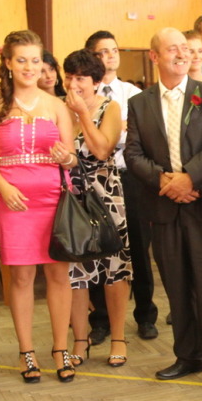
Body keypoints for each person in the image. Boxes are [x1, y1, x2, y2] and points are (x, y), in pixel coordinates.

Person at [125, 28, 202, 391]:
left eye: (183, 49)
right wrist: (164, 181)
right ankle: (188, 356)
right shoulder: (139, 103)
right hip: (164, 207)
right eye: (171, 49)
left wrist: (189, 178)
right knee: (176, 286)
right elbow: (132, 153)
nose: (180, 54)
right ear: (154, 56)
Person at [0, 29, 79, 384]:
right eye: (21, 60)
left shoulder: (57, 106)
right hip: (14, 202)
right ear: (8, 62)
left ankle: (61, 349)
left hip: (54, 199)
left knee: (58, 275)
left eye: (35, 60)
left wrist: (66, 158)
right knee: (21, 277)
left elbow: (72, 159)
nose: (29, 67)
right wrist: (3, 188)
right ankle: (26, 351)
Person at [84, 29, 158, 343]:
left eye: (113, 50)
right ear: (92, 58)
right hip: (95, 179)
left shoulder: (132, 93)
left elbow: (140, 136)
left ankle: (145, 315)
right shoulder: (84, 94)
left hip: (130, 177)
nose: (109, 56)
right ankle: (100, 320)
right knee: (98, 249)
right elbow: (88, 139)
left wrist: (113, 133)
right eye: (102, 52)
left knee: (138, 248)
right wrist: (118, 130)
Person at [60, 49, 129, 368]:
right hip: (72, 196)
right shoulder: (58, 108)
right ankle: (80, 339)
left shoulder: (109, 107)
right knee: (75, 270)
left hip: (106, 194)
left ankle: (118, 339)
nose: (73, 84)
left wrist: (82, 115)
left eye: (81, 79)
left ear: (96, 81)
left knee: (115, 268)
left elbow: (102, 150)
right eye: (69, 77)